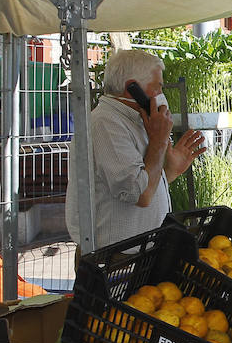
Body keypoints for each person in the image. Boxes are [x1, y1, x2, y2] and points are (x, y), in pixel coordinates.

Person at [66, 49, 206, 255]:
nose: (161, 95)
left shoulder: (132, 121)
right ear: (132, 88)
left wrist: (170, 173)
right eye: (158, 87)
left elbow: (141, 182)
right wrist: (158, 142)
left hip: (138, 252)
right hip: (114, 258)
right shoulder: (105, 124)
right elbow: (139, 194)